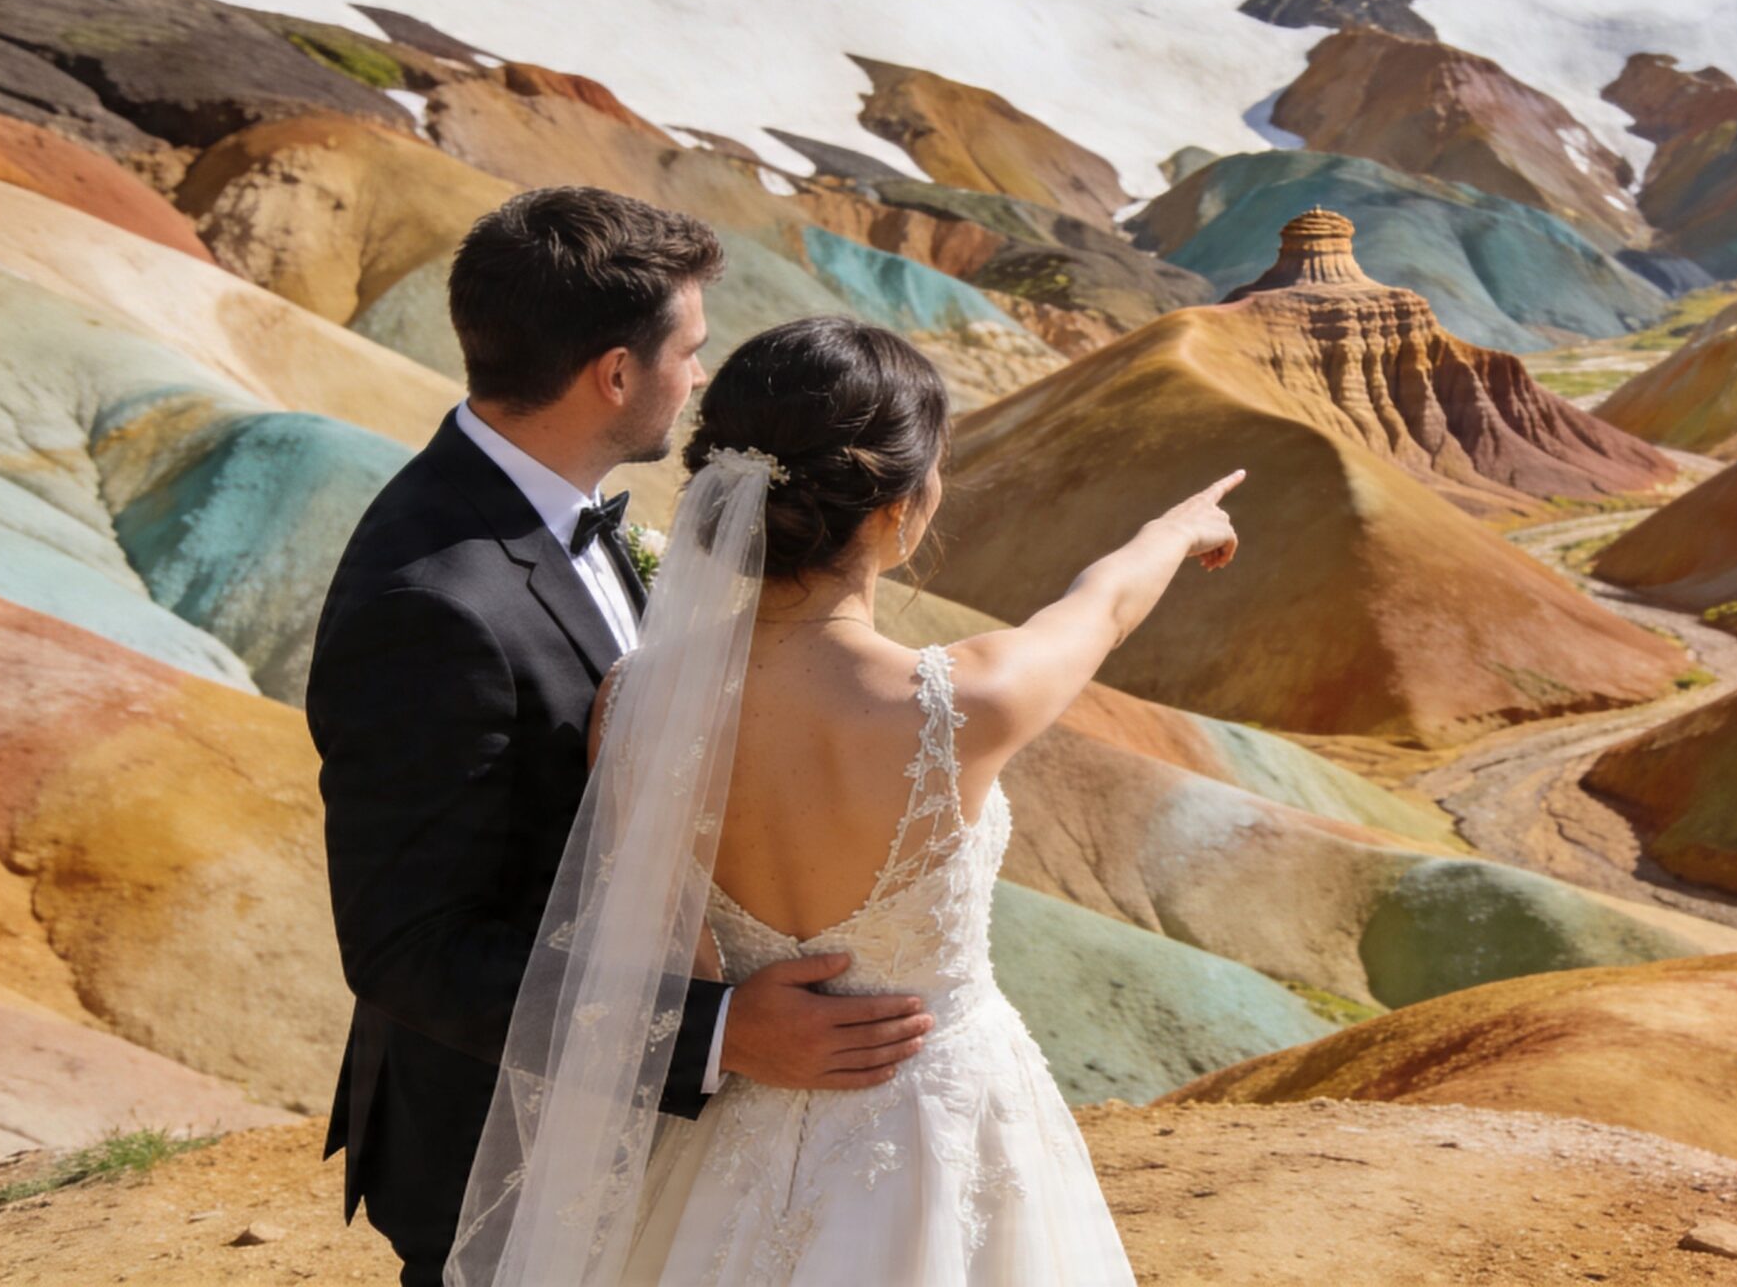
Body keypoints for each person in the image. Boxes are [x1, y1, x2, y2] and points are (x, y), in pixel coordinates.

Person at [447, 317, 1241, 1284]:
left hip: (738, 1128)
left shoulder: (636, 701)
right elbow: (1102, 606)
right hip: (940, 1131)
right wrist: (1178, 528)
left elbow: (675, 950)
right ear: (895, 507)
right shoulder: (967, 702)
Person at [307, 188, 934, 1287]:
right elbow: (410, 951)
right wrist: (714, 1033)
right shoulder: (434, 604)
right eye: (687, 351)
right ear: (614, 374)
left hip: (630, 1146)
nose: (697, 378)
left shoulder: (568, 512)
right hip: (500, 1156)